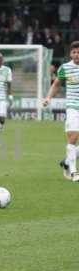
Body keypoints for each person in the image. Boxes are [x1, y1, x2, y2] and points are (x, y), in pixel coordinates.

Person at [44, 41, 79, 182]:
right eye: (74, 52)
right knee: (73, 138)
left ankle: (66, 163)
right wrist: (48, 97)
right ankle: (74, 171)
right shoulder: (65, 68)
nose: (77, 55)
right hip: (72, 107)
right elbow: (56, 85)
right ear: (70, 54)